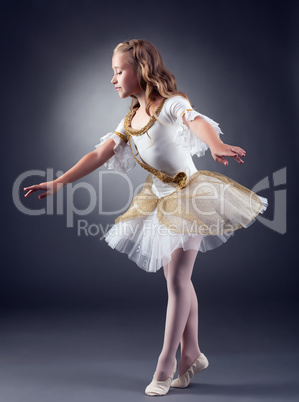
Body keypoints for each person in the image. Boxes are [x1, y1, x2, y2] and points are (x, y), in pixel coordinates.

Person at [23, 39, 268, 396]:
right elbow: (100, 153)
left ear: (141, 70)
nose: (113, 79)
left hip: (189, 195)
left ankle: (166, 363)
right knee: (176, 278)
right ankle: (193, 356)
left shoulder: (171, 105)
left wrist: (215, 144)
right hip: (159, 198)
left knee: (178, 281)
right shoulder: (129, 119)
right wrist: (60, 181)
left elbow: (195, 121)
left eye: (119, 71)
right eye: (112, 72)